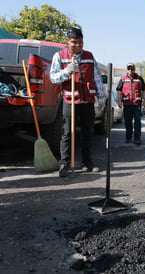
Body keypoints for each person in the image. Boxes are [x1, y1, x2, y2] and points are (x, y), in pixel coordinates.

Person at [50, 27, 105, 177]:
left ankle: (87, 162)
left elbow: (97, 78)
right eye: (74, 42)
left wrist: (101, 98)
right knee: (67, 133)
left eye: (80, 42)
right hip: (70, 101)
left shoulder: (89, 56)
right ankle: (64, 163)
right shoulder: (60, 56)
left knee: (88, 133)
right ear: (67, 41)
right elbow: (53, 78)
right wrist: (66, 71)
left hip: (87, 101)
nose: (78, 46)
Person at [116, 63, 145, 145]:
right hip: (127, 104)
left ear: (134, 69)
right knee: (128, 122)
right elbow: (119, 90)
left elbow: (144, 89)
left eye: (132, 69)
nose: (130, 70)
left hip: (137, 104)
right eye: (129, 69)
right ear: (127, 69)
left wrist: (144, 100)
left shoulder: (139, 79)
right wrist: (119, 101)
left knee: (137, 122)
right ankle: (128, 137)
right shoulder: (123, 79)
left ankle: (137, 138)